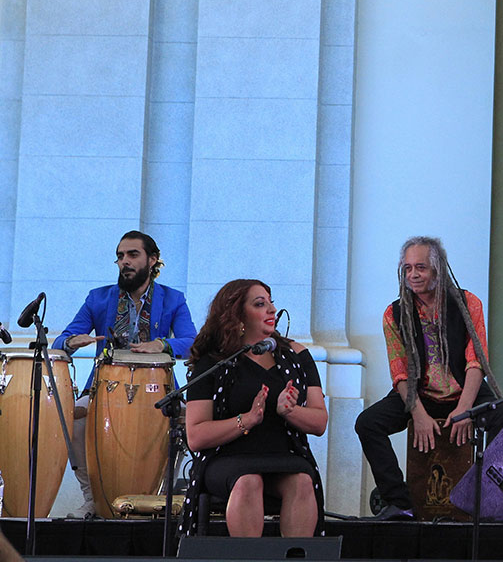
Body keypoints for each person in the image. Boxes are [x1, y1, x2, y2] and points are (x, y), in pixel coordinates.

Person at [355, 236, 503, 520]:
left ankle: (489, 501)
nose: (413, 275)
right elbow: (400, 372)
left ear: (438, 269)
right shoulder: (394, 313)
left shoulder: (468, 303)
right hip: (420, 395)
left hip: (466, 391)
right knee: (367, 424)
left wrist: (465, 408)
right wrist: (417, 413)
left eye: (421, 268)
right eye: (407, 268)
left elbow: (476, 361)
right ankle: (399, 502)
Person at [51, 230, 197, 518]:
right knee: (71, 421)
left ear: (152, 260)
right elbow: (61, 339)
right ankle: (92, 498)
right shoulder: (99, 298)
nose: (124, 262)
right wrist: (71, 341)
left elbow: (193, 343)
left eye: (132, 255)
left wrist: (162, 344)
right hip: (103, 388)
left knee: (187, 424)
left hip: (159, 390)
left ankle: (158, 498)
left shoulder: (173, 299)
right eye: (120, 256)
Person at [181, 279, 327, 537]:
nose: (271, 310)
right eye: (260, 304)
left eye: (271, 303)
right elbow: (196, 436)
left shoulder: (296, 355)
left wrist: (291, 411)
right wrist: (246, 420)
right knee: (249, 480)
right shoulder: (213, 362)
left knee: (303, 481)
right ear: (236, 315)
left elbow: (319, 422)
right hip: (227, 458)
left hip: (283, 456)